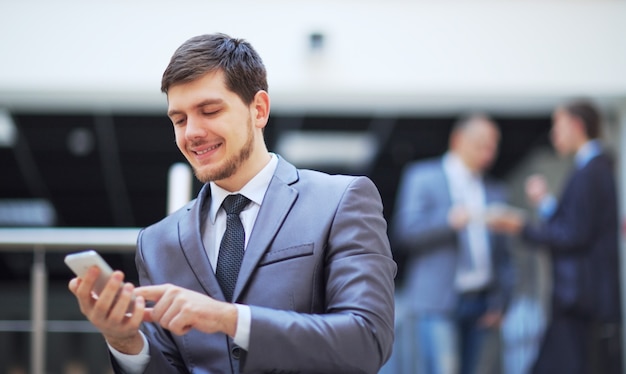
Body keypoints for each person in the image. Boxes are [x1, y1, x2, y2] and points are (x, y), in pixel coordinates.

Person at [68, 33, 397, 373]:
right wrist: (126, 343)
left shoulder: (341, 201)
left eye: (209, 111)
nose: (192, 132)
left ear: (259, 110)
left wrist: (229, 318)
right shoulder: (156, 243)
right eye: (179, 120)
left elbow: (367, 339)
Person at [488, 99, 622, 374]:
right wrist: (545, 204)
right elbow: (576, 225)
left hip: (580, 301)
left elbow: (573, 235)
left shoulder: (591, 171)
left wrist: (520, 226)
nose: (554, 134)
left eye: (558, 125)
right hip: (580, 299)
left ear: (576, 125)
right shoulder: (593, 169)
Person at [391, 114, 514, 374]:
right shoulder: (423, 177)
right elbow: (406, 231)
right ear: (457, 140)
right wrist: (449, 221)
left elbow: (503, 255)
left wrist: (502, 301)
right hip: (438, 302)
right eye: (482, 143)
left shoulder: (494, 190)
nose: (489, 152)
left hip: (481, 303)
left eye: (494, 145)